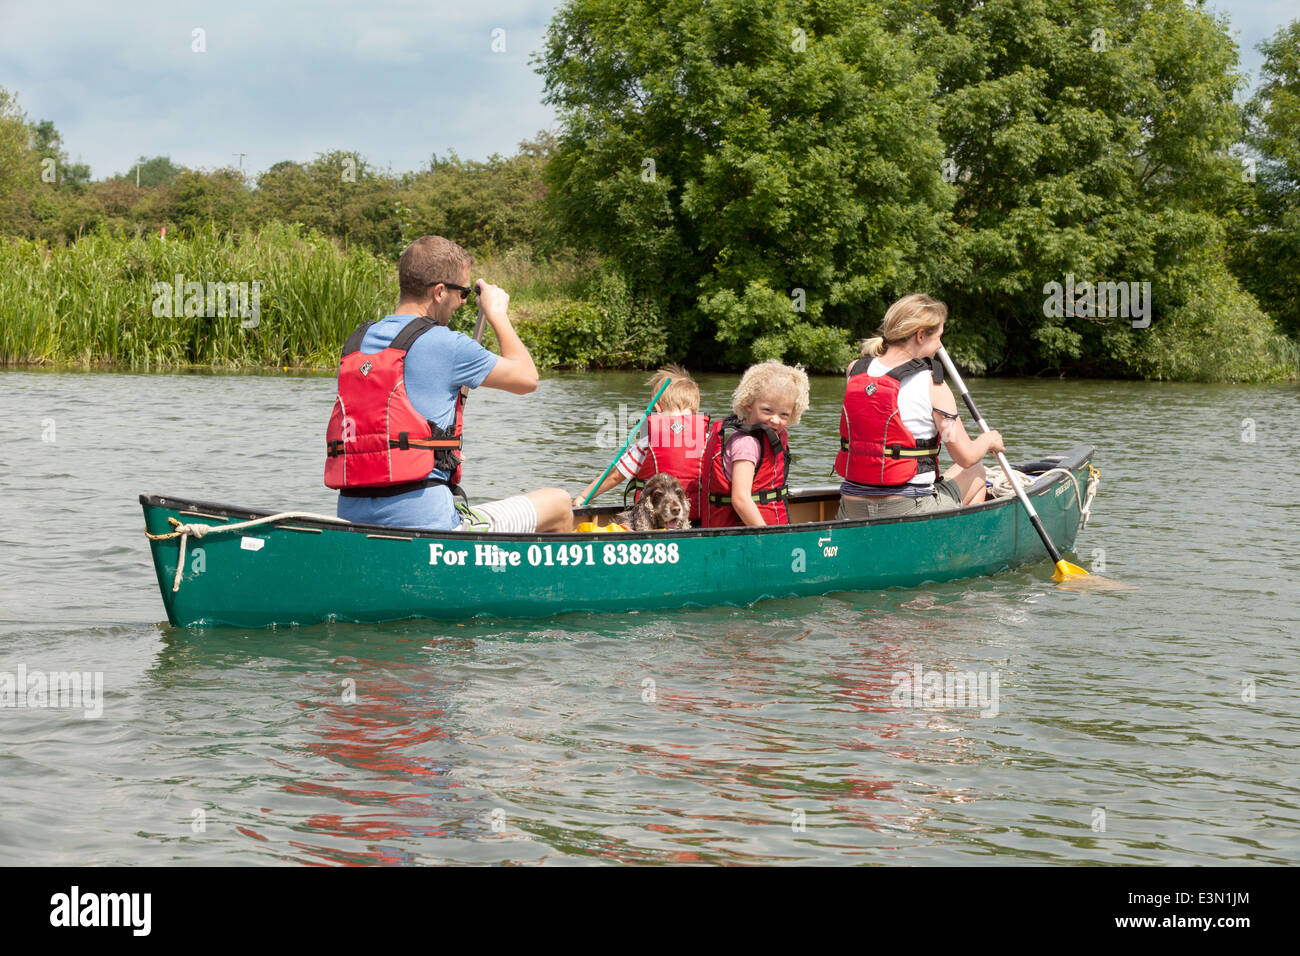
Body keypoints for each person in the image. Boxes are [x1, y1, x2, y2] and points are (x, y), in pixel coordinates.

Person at [324, 235, 573, 533]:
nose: (464, 302)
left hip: (351, 514)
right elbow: (527, 378)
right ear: (440, 292)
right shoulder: (447, 344)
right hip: (427, 520)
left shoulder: (358, 342)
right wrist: (497, 314)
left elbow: (384, 429)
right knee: (558, 503)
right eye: (463, 292)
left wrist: (442, 453)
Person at [835, 293, 1003, 520]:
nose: (940, 345)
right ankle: (957, 550)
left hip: (851, 508)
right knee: (976, 471)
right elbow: (965, 456)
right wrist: (988, 440)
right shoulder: (933, 384)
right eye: (939, 337)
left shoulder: (855, 370)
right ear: (921, 335)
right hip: (908, 510)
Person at [572, 364, 709, 522]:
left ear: (657, 407)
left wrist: (584, 496)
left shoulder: (649, 442)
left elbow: (615, 476)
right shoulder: (707, 440)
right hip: (695, 520)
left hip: (654, 522)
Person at [699, 361, 809, 527]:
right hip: (747, 536)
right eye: (767, 410)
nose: (775, 419)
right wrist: (767, 535)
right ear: (749, 404)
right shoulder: (746, 444)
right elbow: (741, 499)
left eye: (784, 415)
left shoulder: (769, 438)